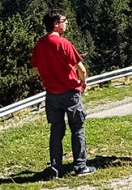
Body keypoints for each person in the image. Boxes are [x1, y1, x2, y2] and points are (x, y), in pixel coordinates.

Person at [30, 9, 96, 178]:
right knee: (77, 129)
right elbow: (81, 68)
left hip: (52, 94)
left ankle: (55, 169)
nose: (66, 23)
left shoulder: (40, 44)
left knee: (56, 131)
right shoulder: (63, 43)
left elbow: (35, 68)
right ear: (56, 24)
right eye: (64, 20)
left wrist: (48, 77)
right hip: (70, 92)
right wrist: (83, 82)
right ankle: (80, 166)